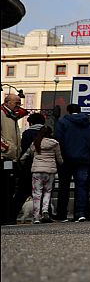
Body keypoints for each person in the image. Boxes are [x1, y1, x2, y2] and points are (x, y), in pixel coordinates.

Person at [54, 104, 90, 223]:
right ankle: (80, 213)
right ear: (80, 111)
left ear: (68, 111)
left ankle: (62, 214)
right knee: (82, 187)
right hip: (83, 160)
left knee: (64, 187)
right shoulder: (89, 126)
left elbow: (58, 140)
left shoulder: (62, 123)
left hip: (65, 160)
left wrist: (60, 157)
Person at [21, 126, 62, 224]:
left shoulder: (35, 142)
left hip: (37, 171)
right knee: (47, 192)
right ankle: (45, 211)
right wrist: (61, 163)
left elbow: (27, 154)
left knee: (37, 194)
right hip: (50, 171)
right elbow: (59, 157)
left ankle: (36, 217)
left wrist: (22, 161)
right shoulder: (55, 144)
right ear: (51, 133)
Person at [11, 113, 46, 222]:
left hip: (29, 168)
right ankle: (44, 214)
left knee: (22, 193)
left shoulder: (27, 133)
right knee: (44, 193)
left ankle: (11, 215)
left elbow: (24, 150)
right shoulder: (48, 133)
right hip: (45, 168)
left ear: (31, 122)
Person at [1, 93, 26, 225]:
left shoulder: (12, 115)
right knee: (5, 188)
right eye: (16, 102)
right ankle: (5, 217)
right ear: (7, 102)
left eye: (19, 102)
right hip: (4, 157)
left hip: (11, 158)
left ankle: (7, 216)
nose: (19, 105)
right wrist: (7, 148)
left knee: (9, 188)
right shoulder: (2, 114)